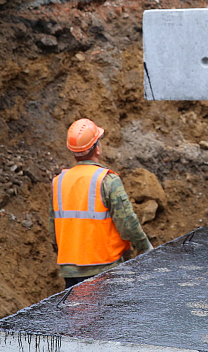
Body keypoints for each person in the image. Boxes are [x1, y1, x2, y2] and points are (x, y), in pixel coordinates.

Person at [50, 118, 152, 288]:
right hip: (105, 269)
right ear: (97, 148)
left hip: (71, 272)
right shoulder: (107, 180)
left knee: (78, 314)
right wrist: (145, 247)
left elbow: (53, 230)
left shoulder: (59, 182)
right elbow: (127, 223)